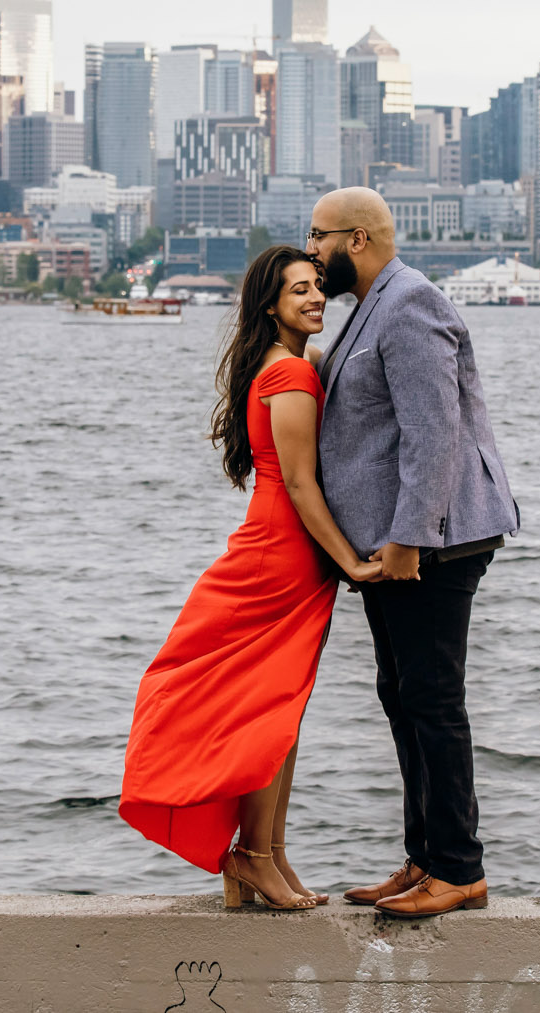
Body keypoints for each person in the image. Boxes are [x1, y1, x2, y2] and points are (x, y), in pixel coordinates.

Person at [119, 246, 383, 911]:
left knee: (279, 712)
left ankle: (268, 855)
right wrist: (351, 560)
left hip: (285, 552)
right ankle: (253, 854)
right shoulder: (290, 373)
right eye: (300, 290)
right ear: (271, 304)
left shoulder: (289, 363)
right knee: (270, 713)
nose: (317, 298)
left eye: (319, 286)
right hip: (281, 556)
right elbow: (298, 482)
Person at [307, 188, 520, 918]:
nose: (311, 251)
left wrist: (408, 539)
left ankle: (459, 868)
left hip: (435, 538)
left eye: (318, 236)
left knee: (431, 697)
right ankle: (424, 856)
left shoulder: (411, 304)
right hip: (399, 541)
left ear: (357, 239)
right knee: (402, 695)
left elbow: (436, 435)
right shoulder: (371, 307)